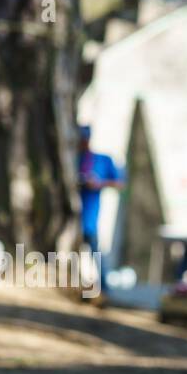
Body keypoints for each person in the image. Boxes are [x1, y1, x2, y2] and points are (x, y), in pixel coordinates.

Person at [77, 125, 124, 297]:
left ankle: (104, 288)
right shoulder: (72, 159)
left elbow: (119, 183)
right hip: (70, 220)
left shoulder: (101, 160)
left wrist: (98, 183)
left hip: (90, 218)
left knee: (96, 253)